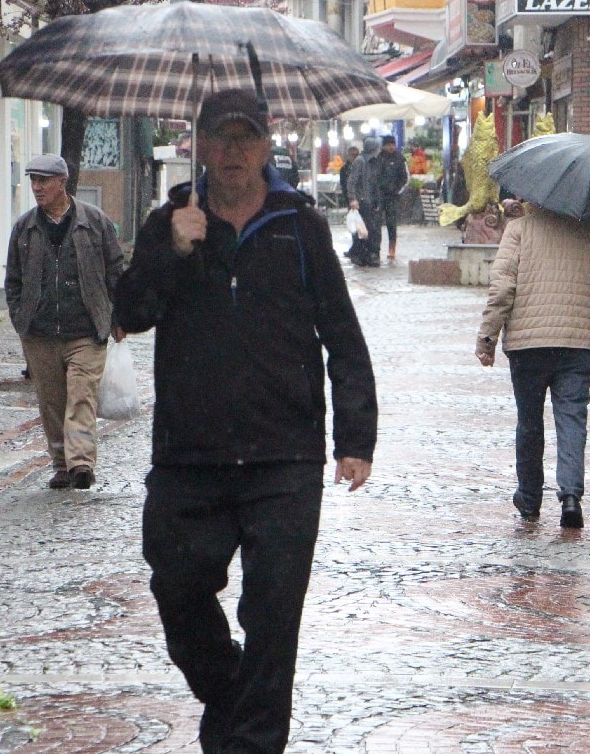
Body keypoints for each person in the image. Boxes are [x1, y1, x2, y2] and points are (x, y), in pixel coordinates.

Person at [111, 88, 377, 754]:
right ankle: (232, 694)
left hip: (283, 455)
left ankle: (248, 742)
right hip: (188, 455)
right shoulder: (168, 220)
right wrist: (172, 249)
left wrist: (355, 438)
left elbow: (341, 334)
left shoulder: (299, 225)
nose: (234, 152)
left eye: (246, 138)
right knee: (177, 591)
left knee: (274, 615)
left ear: (266, 145)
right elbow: (130, 312)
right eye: (221, 138)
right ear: (199, 143)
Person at [475, 202, 590, 528]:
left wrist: (487, 338)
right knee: (572, 420)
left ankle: (529, 499)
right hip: (578, 343)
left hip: (528, 345)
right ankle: (570, 497)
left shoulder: (519, 230)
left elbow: (503, 289)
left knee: (529, 422)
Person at [5, 154, 125, 491]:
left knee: (81, 396)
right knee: (52, 403)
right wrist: (20, 318)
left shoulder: (95, 222)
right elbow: (13, 280)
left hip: (87, 331)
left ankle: (82, 464)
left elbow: (116, 272)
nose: (37, 187)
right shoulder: (25, 227)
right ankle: (61, 465)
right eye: (33, 180)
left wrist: (118, 316)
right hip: (40, 333)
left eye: (43, 180)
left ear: (63, 183)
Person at [344, 135, 382, 266]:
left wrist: (377, 201)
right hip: (362, 201)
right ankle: (361, 255)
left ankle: (368, 255)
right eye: (378, 147)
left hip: (370, 200)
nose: (379, 150)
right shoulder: (360, 161)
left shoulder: (374, 161)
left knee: (370, 229)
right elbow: (352, 181)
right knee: (363, 230)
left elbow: (375, 182)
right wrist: (353, 199)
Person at [375, 133, 409, 261]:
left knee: (391, 223)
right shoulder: (378, 158)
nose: (391, 147)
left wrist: (397, 191)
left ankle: (392, 248)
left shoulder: (400, 159)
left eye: (393, 145)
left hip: (392, 197)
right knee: (376, 223)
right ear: (383, 146)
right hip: (379, 197)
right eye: (388, 145)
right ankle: (376, 248)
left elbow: (405, 178)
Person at [338, 144, 360, 209]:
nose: (355, 157)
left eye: (356, 155)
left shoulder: (362, 166)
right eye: (353, 155)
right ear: (348, 155)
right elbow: (343, 183)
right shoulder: (344, 168)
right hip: (349, 197)